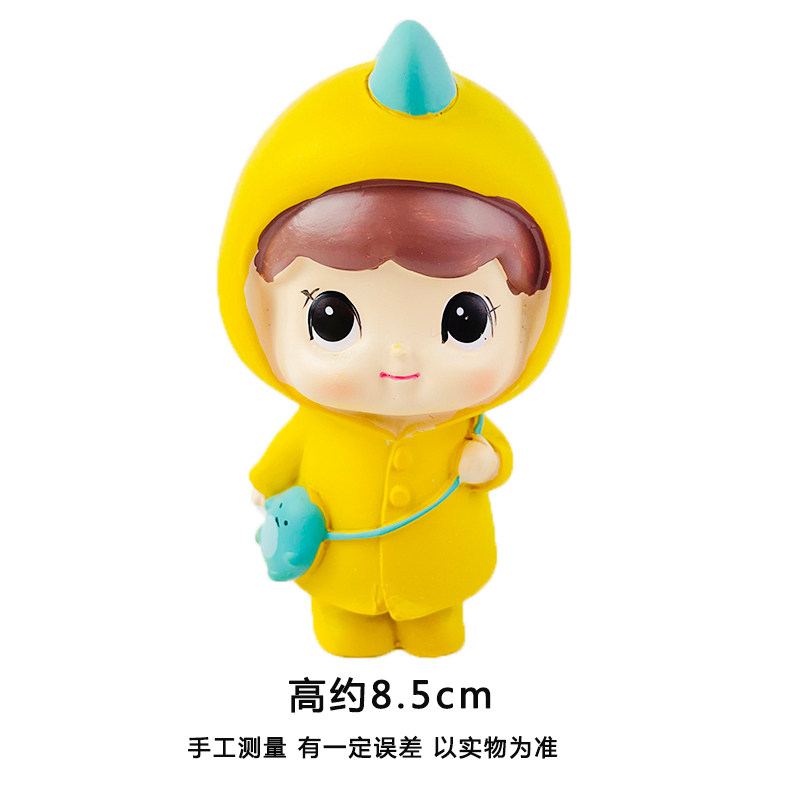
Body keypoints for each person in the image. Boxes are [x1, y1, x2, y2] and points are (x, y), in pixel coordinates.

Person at [218, 21, 570, 656]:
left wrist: (488, 463)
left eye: (466, 321)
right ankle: (350, 623)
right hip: (342, 572)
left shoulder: (464, 425)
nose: (399, 357)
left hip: (440, 570)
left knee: (438, 632)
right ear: (259, 310)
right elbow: (275, 469)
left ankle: (431, 619)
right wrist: (266, 487)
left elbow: (493, 460)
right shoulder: (317, 424)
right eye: (331, 320)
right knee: (346, 634)